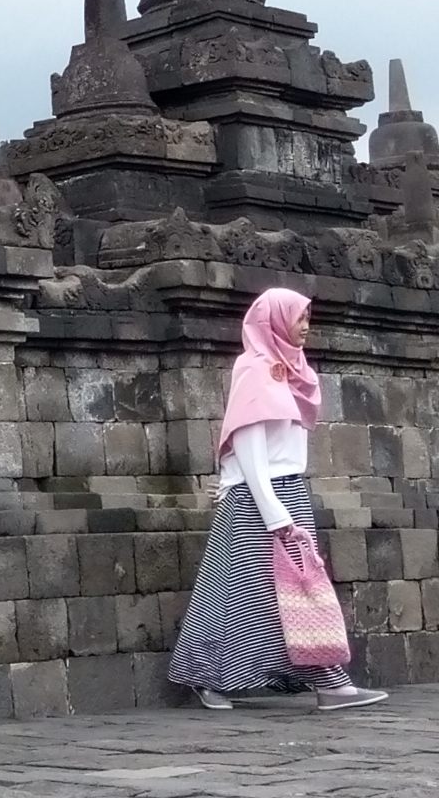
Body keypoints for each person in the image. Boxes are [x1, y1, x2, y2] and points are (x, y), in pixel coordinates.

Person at [167, 287, 388, 711]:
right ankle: (210, 677)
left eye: (307, 317)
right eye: (298, 317)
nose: (305, 326)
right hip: (260, 499)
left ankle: (325, 679)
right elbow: (248, 445)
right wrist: (274, 514)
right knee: (242, 589)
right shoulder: (254, 368)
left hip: (288, 490)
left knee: (297, 587)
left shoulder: (294, 370)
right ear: (275, 319)